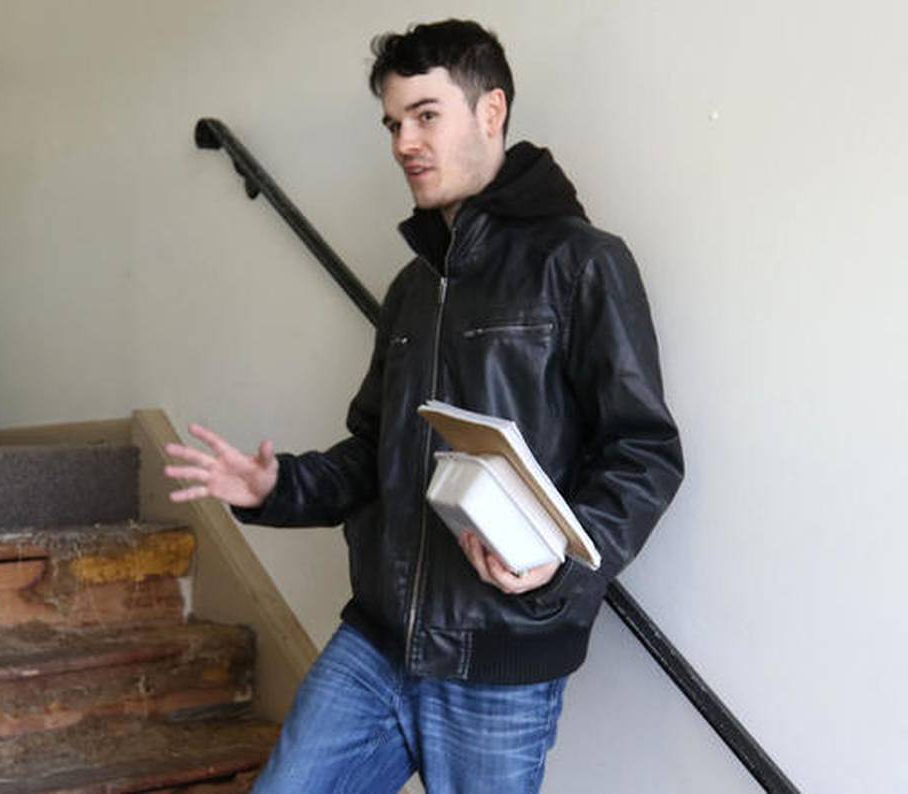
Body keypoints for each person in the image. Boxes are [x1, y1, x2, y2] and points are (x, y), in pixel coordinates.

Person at [163, 19, 684, 794]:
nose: (405, 141)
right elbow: (373, 455)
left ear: (492, 111)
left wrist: (558, 567)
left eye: (426, 115)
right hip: (376, 643)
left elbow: (645, 453)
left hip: (499, 662)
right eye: (394, 123)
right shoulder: (412, 289)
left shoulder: (583, 265)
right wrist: (276, 490)